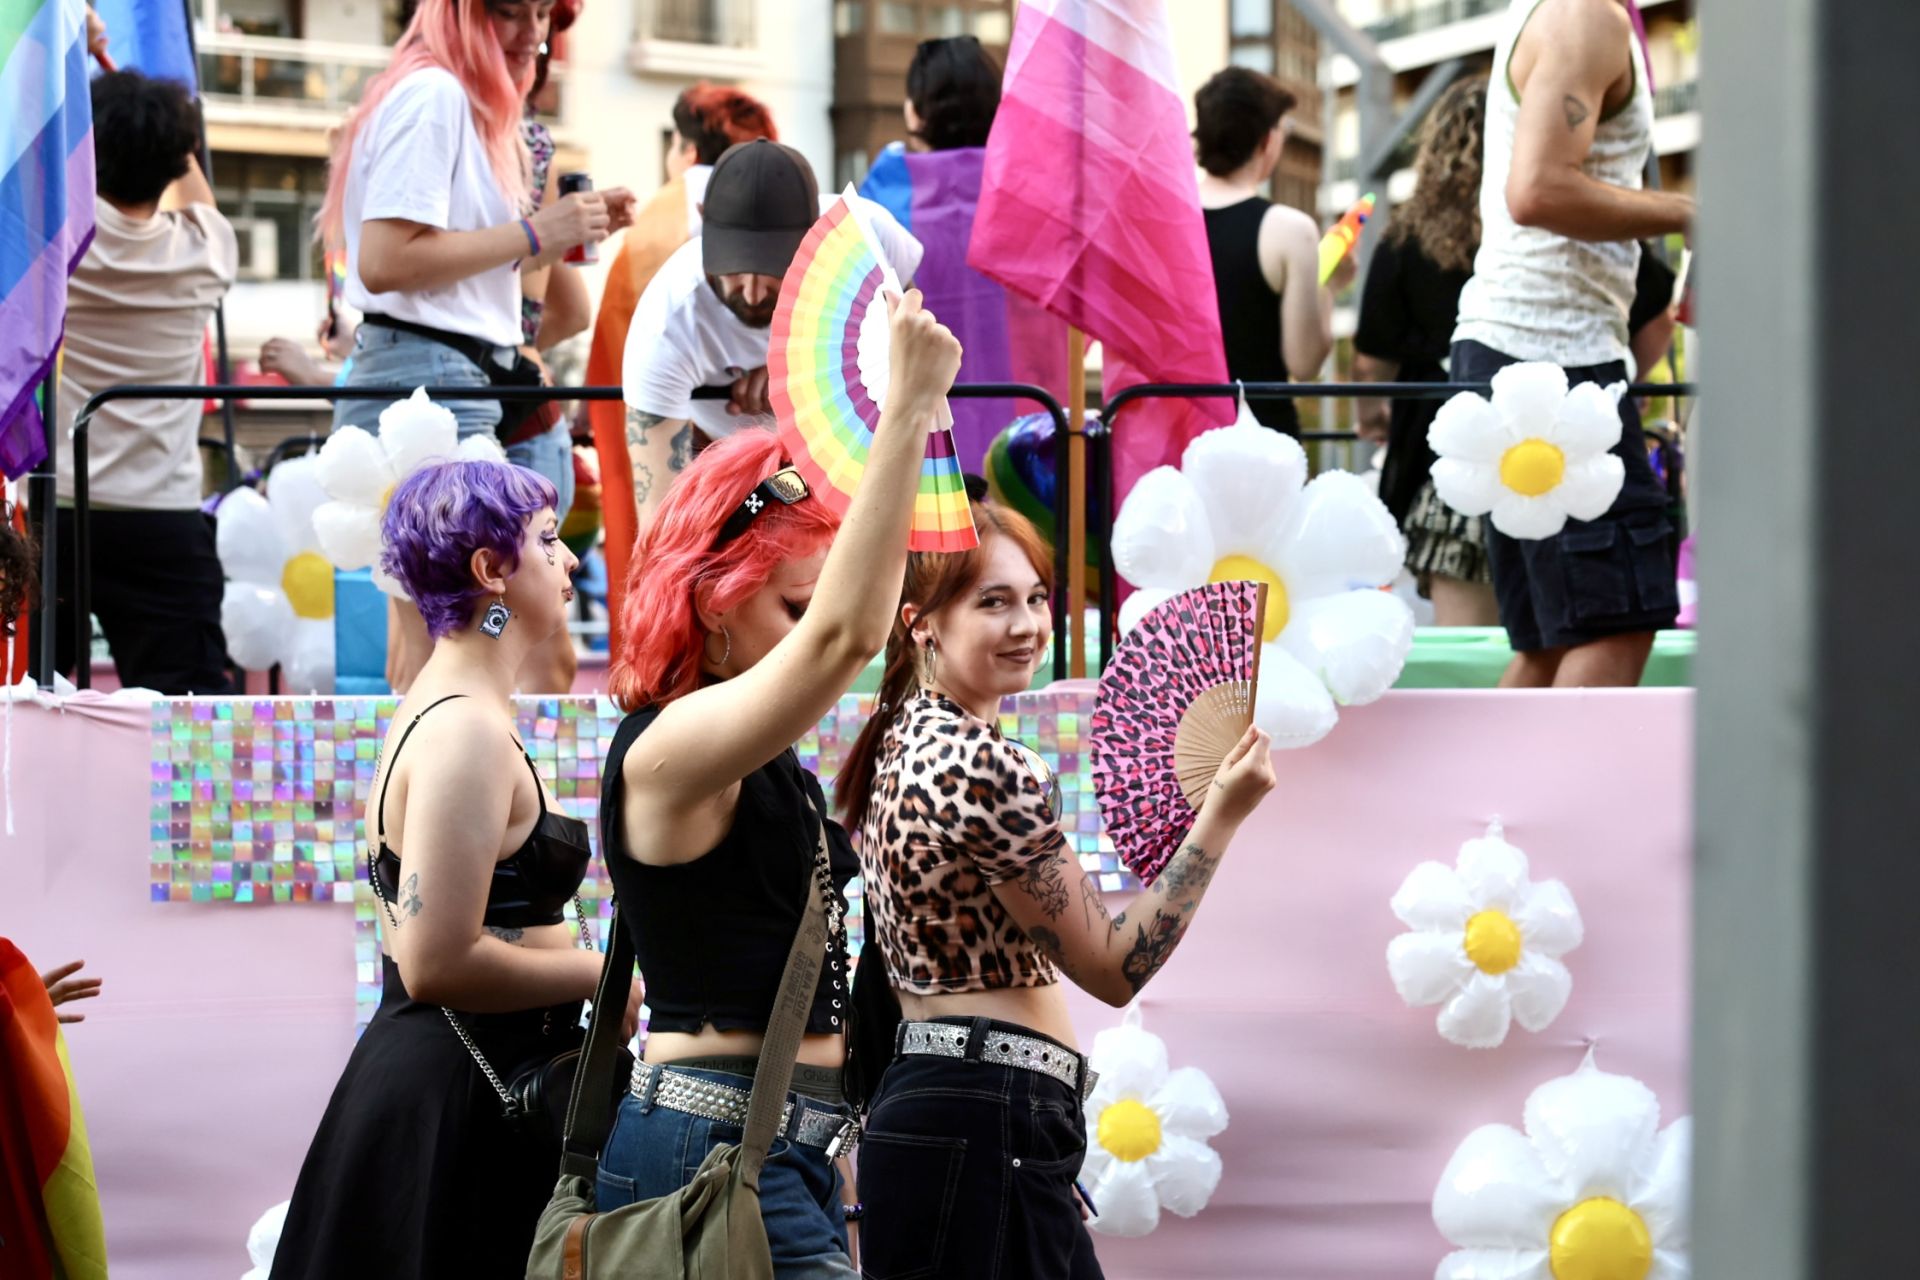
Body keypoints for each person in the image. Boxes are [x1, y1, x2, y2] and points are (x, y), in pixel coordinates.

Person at [593, 291, 962, 1278]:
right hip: (712, 1154)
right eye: (794, 603)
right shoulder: (665, 752)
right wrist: (906, 408)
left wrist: (916, 426)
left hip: (774, 1155)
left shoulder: (752, 757)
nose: (826, 630)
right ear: (714, 606)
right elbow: (847, 636)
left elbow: (862, 624)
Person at [837, 506, 1276, 1278]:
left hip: (961, 1113)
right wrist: (1221, 816)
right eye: (993, 601)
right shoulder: (977, 763)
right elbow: (1112, 966)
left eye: (1037, 598)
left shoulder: (898, 739)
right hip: (984, 1115)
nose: (1028, 624)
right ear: (922, 623)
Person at [271, 458, 642, 1280]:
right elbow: (434, 960)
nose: (572, 561)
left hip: (464, 1090)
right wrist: (601, 976)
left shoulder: (456, 710)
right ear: (491, 571)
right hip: (457, 1105)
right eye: (549, 542)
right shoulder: (463, 731)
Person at [318, 0, 632, 695]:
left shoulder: (460, 103)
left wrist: (549, 234)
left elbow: (538, 303)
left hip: (456, 378)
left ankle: (489, 796)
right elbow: (385, 260)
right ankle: (444, 797)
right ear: (457, 14)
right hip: (429, 381)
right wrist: (535, 235)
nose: (533, 33)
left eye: (544, 13)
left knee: (483, 635)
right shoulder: (434, 95)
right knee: (452, 640)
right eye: (508, 13)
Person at [1450, 0, 1693, 687]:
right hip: (1552, 360)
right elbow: (1538, 189)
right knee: (1614, 623)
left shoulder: (1555, 12)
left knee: (1550, 643)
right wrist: (1688, 213)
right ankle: (1562, 800)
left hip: (1524, 354)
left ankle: (1492, 796)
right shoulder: (1585, 16)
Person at [619, 139, 922, 542]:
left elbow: (916, 350)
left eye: (774, 269)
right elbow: (657, 529)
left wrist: (799, 372)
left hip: (849, 448)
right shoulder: (667, 321)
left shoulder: (869, 236)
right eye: (734, 269)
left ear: (817, 232)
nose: (753, 293)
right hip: (723, 464)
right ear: (702, 221)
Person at [53, 70, 238, 695]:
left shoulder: (53, 251)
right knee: (185, 718)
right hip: (162, 520)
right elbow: (191, 184)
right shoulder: (209, 249)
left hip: (54, 509)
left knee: (21, 699)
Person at [587, 83, 779, 657]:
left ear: (686, 149)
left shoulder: (663, 214)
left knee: (673, 567)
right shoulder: (789, 219)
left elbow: (619, 354)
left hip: (679, 444)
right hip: (778, 460)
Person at [858, 35, 1069, 475]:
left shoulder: (882, 199)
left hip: (918, 436)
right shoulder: (1038, 192)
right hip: (1031, 428)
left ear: (914, 111)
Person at [1353, 78, 1496, 626]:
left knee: (1453, 593)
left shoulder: (1405, 234)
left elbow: (1371, 356)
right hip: (1533, 422)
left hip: (1432, 430)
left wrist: (1374, 416)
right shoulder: (1532, 223)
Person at [1193, 67, 1348, 437]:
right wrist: (1330, 286)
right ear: (1267, 140)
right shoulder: (1290, 230)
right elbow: (1305, 362)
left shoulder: (1163, 220)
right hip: (1262, 436)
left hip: (1181, 434)